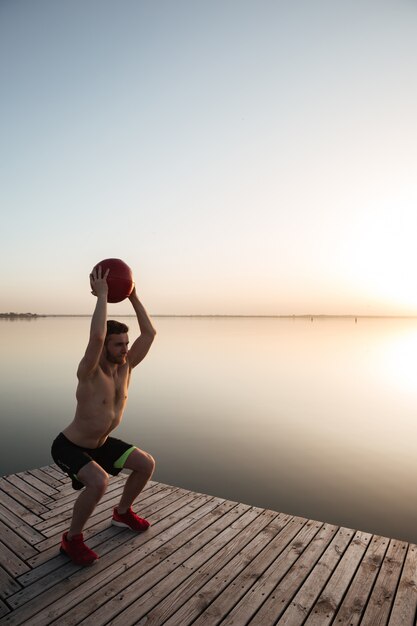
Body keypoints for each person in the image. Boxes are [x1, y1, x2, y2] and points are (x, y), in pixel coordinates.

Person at [51, 265, 157, 566]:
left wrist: (134, 296)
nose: (125, 349)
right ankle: (72, 540)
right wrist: (102, 296)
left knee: (146, 464)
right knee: (98, 483)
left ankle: (122, 514)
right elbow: (96, 337)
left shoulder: (127, 367)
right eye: (118, 344)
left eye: (126, 344)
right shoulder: (89, 371)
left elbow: (149, 333)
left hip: (102, 443)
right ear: (106, 347)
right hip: (69, 446)